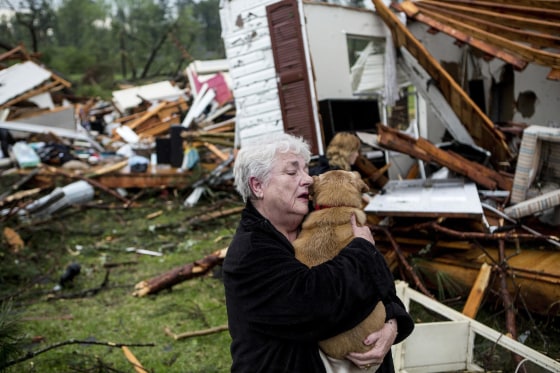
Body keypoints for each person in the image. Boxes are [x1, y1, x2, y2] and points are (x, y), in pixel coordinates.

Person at [223, 133, 413, 373]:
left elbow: (382, 282)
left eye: (306, 169)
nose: (309, 179)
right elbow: (317, 304)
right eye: (293, 173)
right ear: (257, 186)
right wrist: (363, 251)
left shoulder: (322, 221)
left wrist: (392, 325)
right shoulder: (249, 255)